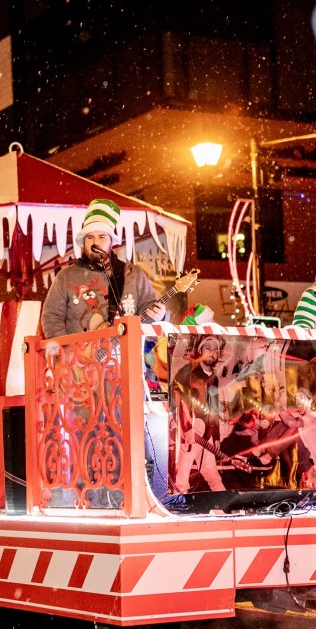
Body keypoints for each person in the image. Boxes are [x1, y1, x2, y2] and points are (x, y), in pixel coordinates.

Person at [41, 198, 168, 338]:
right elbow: (51, 318)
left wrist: (162, 315)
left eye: (102, 237)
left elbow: (150, 314)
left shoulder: (133, 274)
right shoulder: (65, 277)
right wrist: (66, 349)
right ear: (84, 243)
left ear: (111, 242)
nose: (95, 242)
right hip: (79, 352)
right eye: (90, 237)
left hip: (127, 351)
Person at [170, 335, 227, 493]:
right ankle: (178, 503)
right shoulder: (188, 372)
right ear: (200, 350)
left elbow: (213, 407)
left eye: (215, 349)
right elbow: (178, 399)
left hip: (206, 432)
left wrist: (215, 435)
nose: (212, 352)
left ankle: (225, 504)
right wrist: (187, 427)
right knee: (183, 475)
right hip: (192, 427)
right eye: (208, 348)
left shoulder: (214, 378)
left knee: (212, 474)